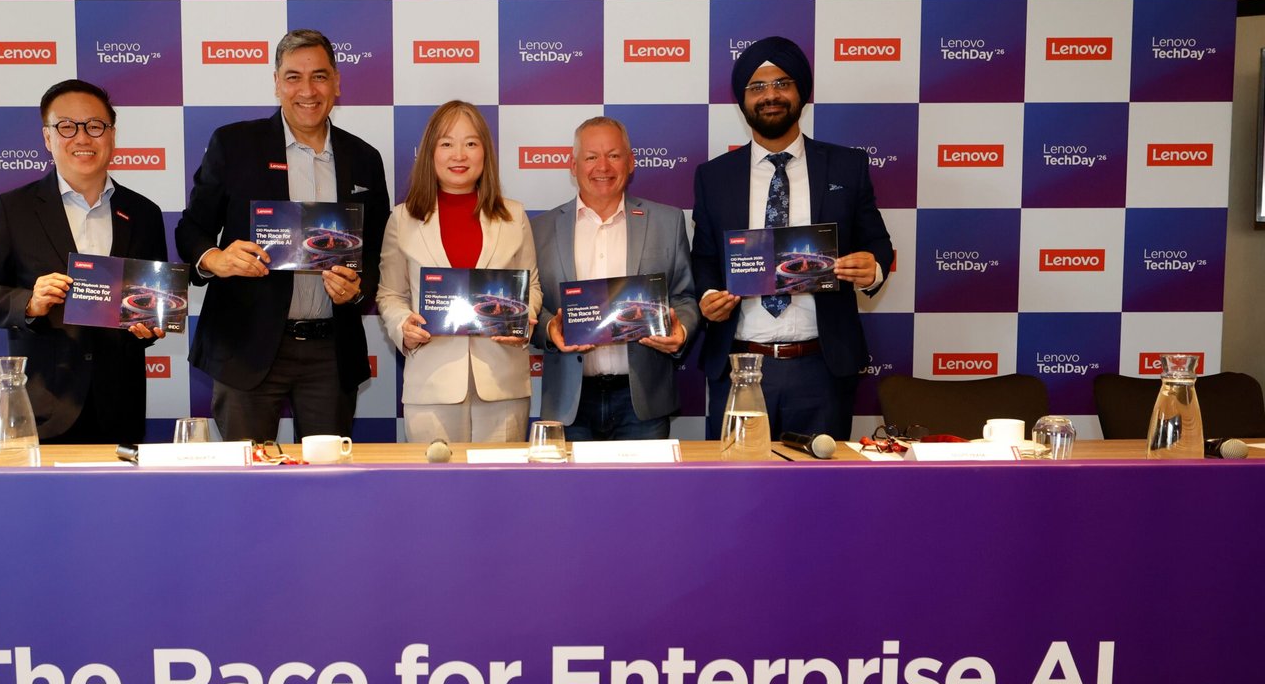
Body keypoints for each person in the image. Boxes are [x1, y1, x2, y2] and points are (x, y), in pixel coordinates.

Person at [176, 29, 390, 443]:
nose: (307, 90)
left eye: (319, 76)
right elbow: (191, 228)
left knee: (327, 475)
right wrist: (216, 259)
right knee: (248, 476)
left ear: (337, 82)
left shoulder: (364, 158)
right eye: (294, 77)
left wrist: (358, 289)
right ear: (277, 83)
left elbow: (377, 250)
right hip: (246, 346)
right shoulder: (234, 144)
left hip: (330, 353)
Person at [691, 35, 893, 441]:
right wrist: (708, 297)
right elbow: (705, 259)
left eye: (782, 83)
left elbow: (878, 244)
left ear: (801, 92)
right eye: (757, 87)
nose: (770, 95)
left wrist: (873, 269)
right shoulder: (714, 176)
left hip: (822, 368)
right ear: (743, 100)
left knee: (819, 481)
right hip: (740, 367)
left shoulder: (846, 166)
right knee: (737, 479)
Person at [0, 78, 168, 444]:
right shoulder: (14, 209)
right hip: (42, 406)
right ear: (47, 138)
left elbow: (151, 304)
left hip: (119, 406)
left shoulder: (144, 213)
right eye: (66, 127)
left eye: (95, 126)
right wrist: (29, 302)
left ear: (112, 135)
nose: (82, 138)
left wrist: (149, 327)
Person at [377, 100, 541, 444]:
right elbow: (390, 294)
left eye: (471, 143)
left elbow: (532, 286)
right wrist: (402, 325)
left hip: (503, 384)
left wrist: (523, 319)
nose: (459, 155)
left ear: (485, 152)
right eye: (447, 143)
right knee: (433, 480)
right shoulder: (403, 219)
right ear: (430, 152)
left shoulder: (514, 216)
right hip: (431, 385)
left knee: (499, 479)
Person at [531, 116, 698, 441]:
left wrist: (682, 328)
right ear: (573, 165)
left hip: (643, 402)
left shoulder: (667, 221)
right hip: (569, 403)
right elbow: (531, 308)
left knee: (646, 479)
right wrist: (551, 329)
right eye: (591, 157)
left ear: (631, 162)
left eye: (614, 155)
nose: (602, 167)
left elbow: (685, 297)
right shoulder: (539, 230)